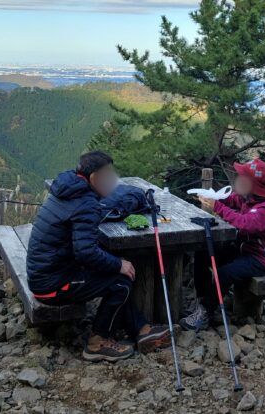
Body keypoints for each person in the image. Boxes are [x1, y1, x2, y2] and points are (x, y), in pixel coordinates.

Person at [26, 151, 169, 362]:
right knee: (120, 282)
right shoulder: (86, 203)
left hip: (48, 269)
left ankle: (140, 328)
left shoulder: (69, 189)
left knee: (114, 269)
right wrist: (118, 264)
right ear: (93, 177)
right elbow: (85, 252)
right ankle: (98, 341)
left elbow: (83, 248)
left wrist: (115, 263)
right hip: (52, 284)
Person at [182, 159, 265, 330]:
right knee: (203, 252)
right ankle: (203, 299)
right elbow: (231, 199)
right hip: (243, 250)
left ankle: (205, 312)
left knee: (224, 273)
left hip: (260, 259)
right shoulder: (248, 197)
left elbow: (245, 223)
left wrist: (217, 207)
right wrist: (214, 197)